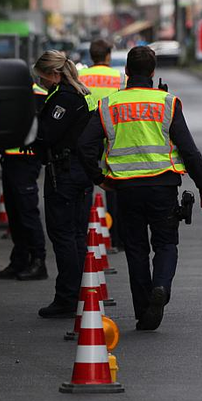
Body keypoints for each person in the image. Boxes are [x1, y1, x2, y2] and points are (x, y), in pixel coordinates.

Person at [79, 45, 202, 331]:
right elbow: (189, 150)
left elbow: (84, 145)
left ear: (127, 71)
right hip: (162, 186)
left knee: (136, 249)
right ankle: (161, 287)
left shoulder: (109, 104)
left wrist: (98, 178)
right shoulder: (167, 103)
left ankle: (144, 311)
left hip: (126, 188)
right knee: (166, 244)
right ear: (153, 72)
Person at [32, 50, 94, 318]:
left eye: (42, 76)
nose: (41, 82)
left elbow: (47, 134)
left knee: (63, 235)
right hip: (81, 171)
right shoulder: (81, 93)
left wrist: (32, 128)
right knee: (76, 235)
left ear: (54, 74)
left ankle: (68, 297)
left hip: (65, 172)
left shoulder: (64, 98)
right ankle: (78, 293)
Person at [0, 81, 49, 281]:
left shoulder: (38, 95)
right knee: (14, 213)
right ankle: (19, 260)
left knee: (27, 212)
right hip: (10, 158)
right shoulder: (9, 93)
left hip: (26, 159)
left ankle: (38, 261)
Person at [79, 38, 125, 249]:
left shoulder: (80, 77)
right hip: (112, 136)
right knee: (113, 187)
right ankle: (116, 238)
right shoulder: (120, 78)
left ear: (91, 55)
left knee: (85, 183)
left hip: (86, 135)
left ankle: (84, 234)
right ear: (108, 55)